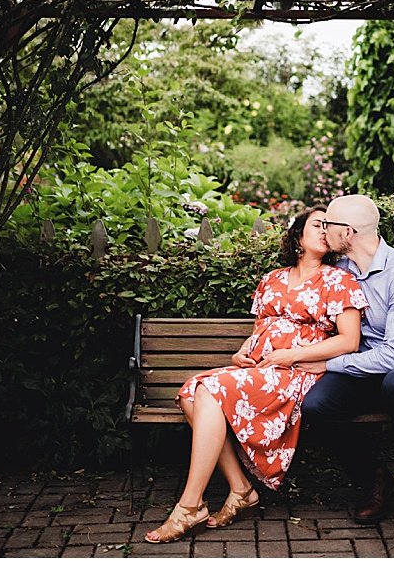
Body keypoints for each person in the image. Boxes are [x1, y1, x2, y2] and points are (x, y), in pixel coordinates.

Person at [144, 209, 367, 544]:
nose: (324, 230)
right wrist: (242, 352)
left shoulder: (339, 280)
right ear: (297, 236)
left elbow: (349, 341)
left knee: (207, 390)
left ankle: (190, 505)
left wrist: (292, 354)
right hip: (262, 369)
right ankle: (241, 489)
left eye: (328, 225)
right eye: (316, 224)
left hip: (296, 372)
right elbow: (260, 330)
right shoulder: (273, 279)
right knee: (192, 392)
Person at [297, 195, 394, 550]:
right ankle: (375, 478)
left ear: (347, 232)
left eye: (328, 225)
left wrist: (330, 364)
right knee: (316, 405)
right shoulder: (341, 272)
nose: (324, 230)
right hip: (362, 366)